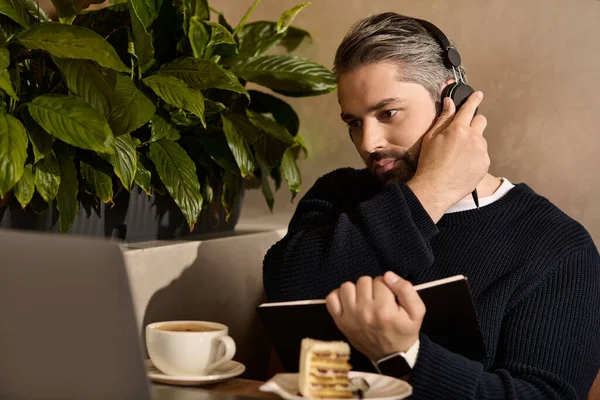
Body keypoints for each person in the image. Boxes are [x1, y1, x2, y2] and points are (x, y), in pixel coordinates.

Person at [261, 12, 600, 400]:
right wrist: (430, 192)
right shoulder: (338, 194)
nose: (368, 142)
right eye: (354, 122)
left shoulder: (558, 246)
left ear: (451, 101)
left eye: (388, 113)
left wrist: (408, 356)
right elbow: (287, 291)